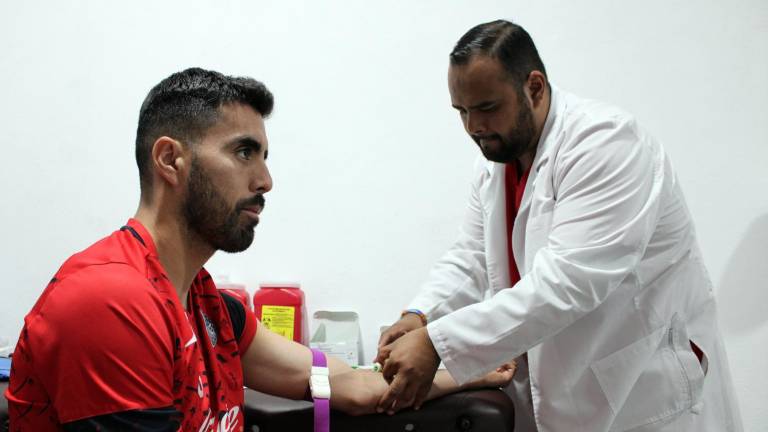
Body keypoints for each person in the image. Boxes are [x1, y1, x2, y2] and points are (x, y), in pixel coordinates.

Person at [4, 68, 515, 431]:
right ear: (170, 160)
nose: (266, 180)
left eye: (264, 156)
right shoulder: (110, 303)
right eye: (244, 151)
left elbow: (347, 383)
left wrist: (461, 367)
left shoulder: (208, 306)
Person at [374, 20, 742, 432]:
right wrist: (420, 314)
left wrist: (439, 344)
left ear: (534, 87)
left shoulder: (606, 143)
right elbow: (471, 255)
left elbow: (569, 282)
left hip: (643, 392)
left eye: (487, 107)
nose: (474, 126)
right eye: (462, 111)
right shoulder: (496, 162)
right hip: (566, 391)